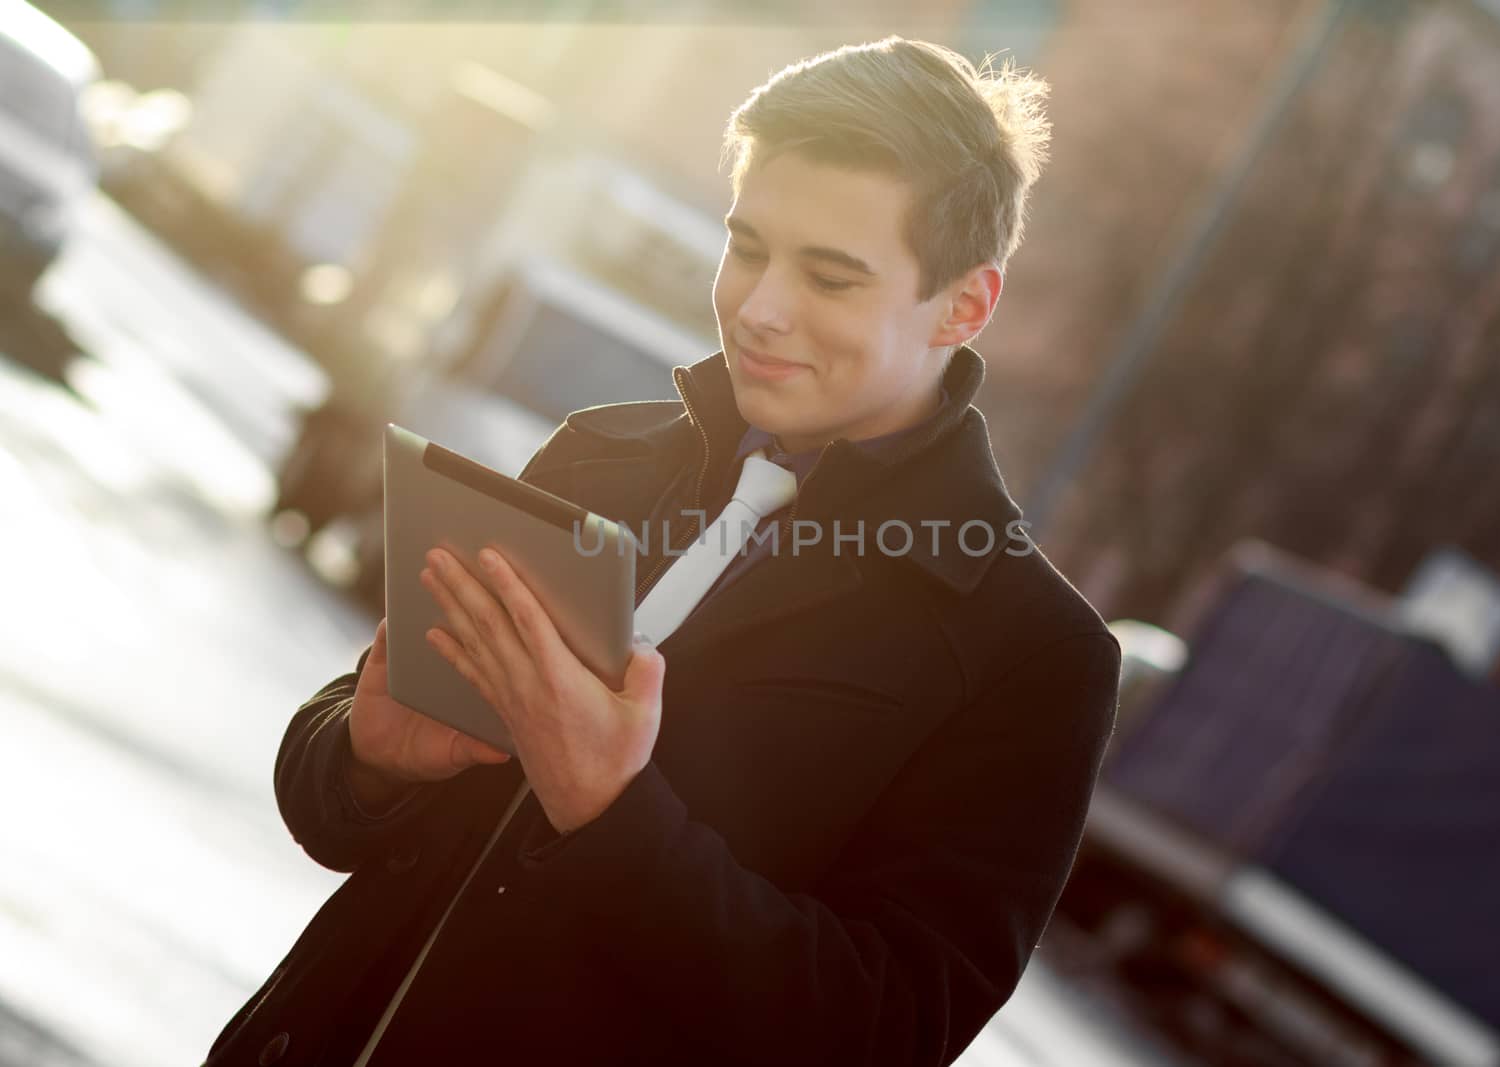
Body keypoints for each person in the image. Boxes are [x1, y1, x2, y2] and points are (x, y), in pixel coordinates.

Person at [204, 36, 1120, 1067]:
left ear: (964, 303)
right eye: (749, 246)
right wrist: (366, 756)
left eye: (830, 276)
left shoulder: (1031, 655)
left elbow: (878, 1032)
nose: (761, 306)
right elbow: (333, 813)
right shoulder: (601, 453)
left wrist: (613, 815)